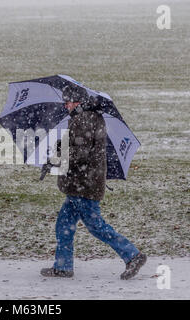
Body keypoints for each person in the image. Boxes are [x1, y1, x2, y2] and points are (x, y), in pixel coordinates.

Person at [41, 85, 146, 280]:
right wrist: (59, 149)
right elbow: (76, 147)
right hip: (79, 184)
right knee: (64, 224)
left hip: (84, 184)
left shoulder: (84, 120)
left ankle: (133, 255)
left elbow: (80, 154)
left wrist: (59, 157)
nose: (66, 106)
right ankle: (63, 267)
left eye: (69, 102)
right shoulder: (84, 118)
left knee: (96, 226)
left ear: (79, 102)